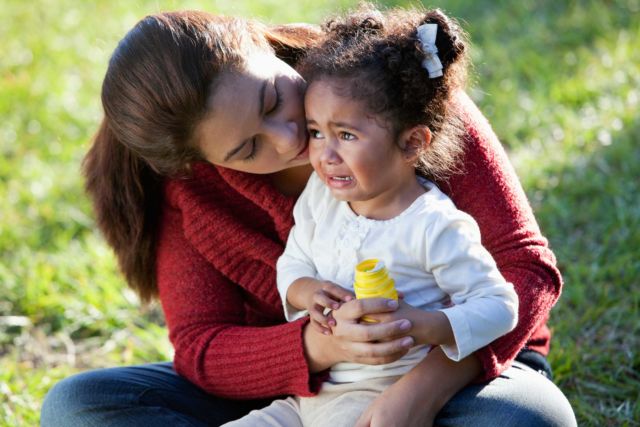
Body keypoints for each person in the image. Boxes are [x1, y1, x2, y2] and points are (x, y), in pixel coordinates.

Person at [40, 4, 576, 427]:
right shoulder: (193, 190)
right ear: (199, 162)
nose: (290, 137)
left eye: (273, 99)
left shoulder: (395, 87)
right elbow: (202, 349)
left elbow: (525, 269)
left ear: (260, 41)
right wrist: (320, 345)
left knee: (529, 417)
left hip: (461, 372)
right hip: (299, 398)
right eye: (248, 149)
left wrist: (421, 391)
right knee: (80, 406)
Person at [223, 7, 520, 426]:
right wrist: (307, 291)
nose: (323, 155)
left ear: (412, 142)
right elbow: (293, 261)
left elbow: (500, 307)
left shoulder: (433, 226)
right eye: (316, 132)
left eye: (346, 135)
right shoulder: (320, 197)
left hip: (382, 395)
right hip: (311, 394)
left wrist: (426, 326)